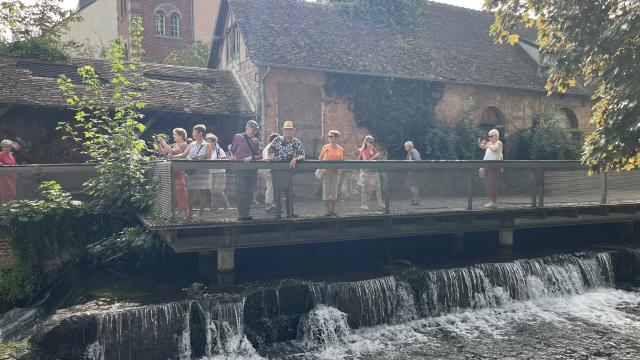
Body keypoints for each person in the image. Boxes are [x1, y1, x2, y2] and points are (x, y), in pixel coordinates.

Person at [173, 124, 213, 217]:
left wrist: (199, 159)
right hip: (192, 172)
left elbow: (209, 159)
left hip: (203, 172)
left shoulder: (207, 145)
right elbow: (183, 155)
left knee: (203, 193)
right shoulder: (191, 144)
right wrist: (173, 156)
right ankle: (190, 214)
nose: (192, 134)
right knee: (191, 192)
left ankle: (201, 215)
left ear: (200, 133)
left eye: (194, 132)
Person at [268, 120, 305, 218]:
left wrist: (295, 158)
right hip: (277, 170)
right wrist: (270, 156)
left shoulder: (296, 142)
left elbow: (302, 155)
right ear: (283, 131)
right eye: (286, 130)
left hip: (288, 171)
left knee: (289, 193)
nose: (288, 132)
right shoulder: (277, 140)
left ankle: (290, 213)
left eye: (290, 130)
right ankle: (278, 213)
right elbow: (270, 149)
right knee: (277, 192)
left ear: (293, 131)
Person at [229, 120, 262, 221]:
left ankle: (247, 212)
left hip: (252, 169)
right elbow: (232, 150)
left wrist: (251, 157)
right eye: (250, 126)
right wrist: (231, 157)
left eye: (253, 127)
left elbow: (259, 155)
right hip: (241, 168)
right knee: (242, 190)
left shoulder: (256, 141)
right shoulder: (238, 137)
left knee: (250, 191)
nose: (250, 128)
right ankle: (241, 214)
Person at [157, 128, 189, 215]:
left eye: (175, 134)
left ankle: (184, 211)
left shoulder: (184, 145)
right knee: (176, 192)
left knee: (181, 190)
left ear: (181, 135)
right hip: (173, 171)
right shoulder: (174, 145)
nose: (173, 136)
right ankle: (180, 210)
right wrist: (159, 144)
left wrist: (163, 141)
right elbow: (161, 153)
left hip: (180, 171)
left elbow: (173, 152)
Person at [318, 130, 344, 216]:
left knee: (334, 192)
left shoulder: (341, 149)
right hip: (326, 171)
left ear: (336, 138)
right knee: (326, 191)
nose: (329, 138)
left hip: (335, 172)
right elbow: (320, 159)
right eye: (328, 136)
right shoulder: (325, 147)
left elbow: (341, 160)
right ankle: (328, 211)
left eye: (331, 136)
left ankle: (333, 210)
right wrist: (324, 152)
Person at [357, 135, 384, 210]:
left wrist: (378, 156)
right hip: (366, 171)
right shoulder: (363, 151)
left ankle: (380, 203)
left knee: (378, 187)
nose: (372, 144)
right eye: (370, 142)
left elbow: (379, 157)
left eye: (373, 142)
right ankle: (363, 204)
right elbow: (366, 162)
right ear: (366, 142)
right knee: (365, 188)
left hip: (374, 171)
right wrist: (375, 157)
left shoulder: (374, 149)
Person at [478, 128, 503, 208]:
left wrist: (488, 145)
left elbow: (495, 149)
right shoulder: (490, 143)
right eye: (489, 136)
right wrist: (480, 143)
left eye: (491, 136)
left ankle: (493, 201)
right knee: (488, 183)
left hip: (494, 166)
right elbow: (483, 147)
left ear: (496, 136)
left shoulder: (498, 143)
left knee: (492, 183)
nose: (489, 138)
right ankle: (490, 200)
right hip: (488, 166)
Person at [206, 133, 230, 211]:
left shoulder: (219, 150)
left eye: (209, 141)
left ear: (214, 142)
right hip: (210, 172)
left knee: (218, 190)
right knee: (212, 190)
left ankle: (225, 204)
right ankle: (214, 206)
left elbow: (224, 159)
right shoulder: (206, 151)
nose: (208, 143)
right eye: (207, 141)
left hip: (220, 172)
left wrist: (216, 162)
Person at [261, 133, 280, 211]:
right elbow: (271, 158)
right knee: (271, 186)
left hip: (265, 169)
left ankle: (270, 205)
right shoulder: (271, 147)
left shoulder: (266, 147)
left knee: (270, 186)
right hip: (269, 169)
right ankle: (269, 205)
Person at [404, 141, 421, 205]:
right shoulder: (413, 151)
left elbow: (413, 161)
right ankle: (416, 200)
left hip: (414, 171)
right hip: (415, 170)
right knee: (415, 185)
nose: (405, 148)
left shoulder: (412, 152)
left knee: (409, 184)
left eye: (405, 146)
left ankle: (416, 199)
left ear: (409, 146)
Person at [0, 139, 17, 204]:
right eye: (4, 146)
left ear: (10, 147)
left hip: (11, 176)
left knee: (12, 193)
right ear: (2, 147)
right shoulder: (0, 154)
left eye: (8, 146)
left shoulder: (11, 154)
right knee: (4, 194)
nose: (6, 148)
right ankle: (3, 210)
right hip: (3, 177)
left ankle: (11, 209)